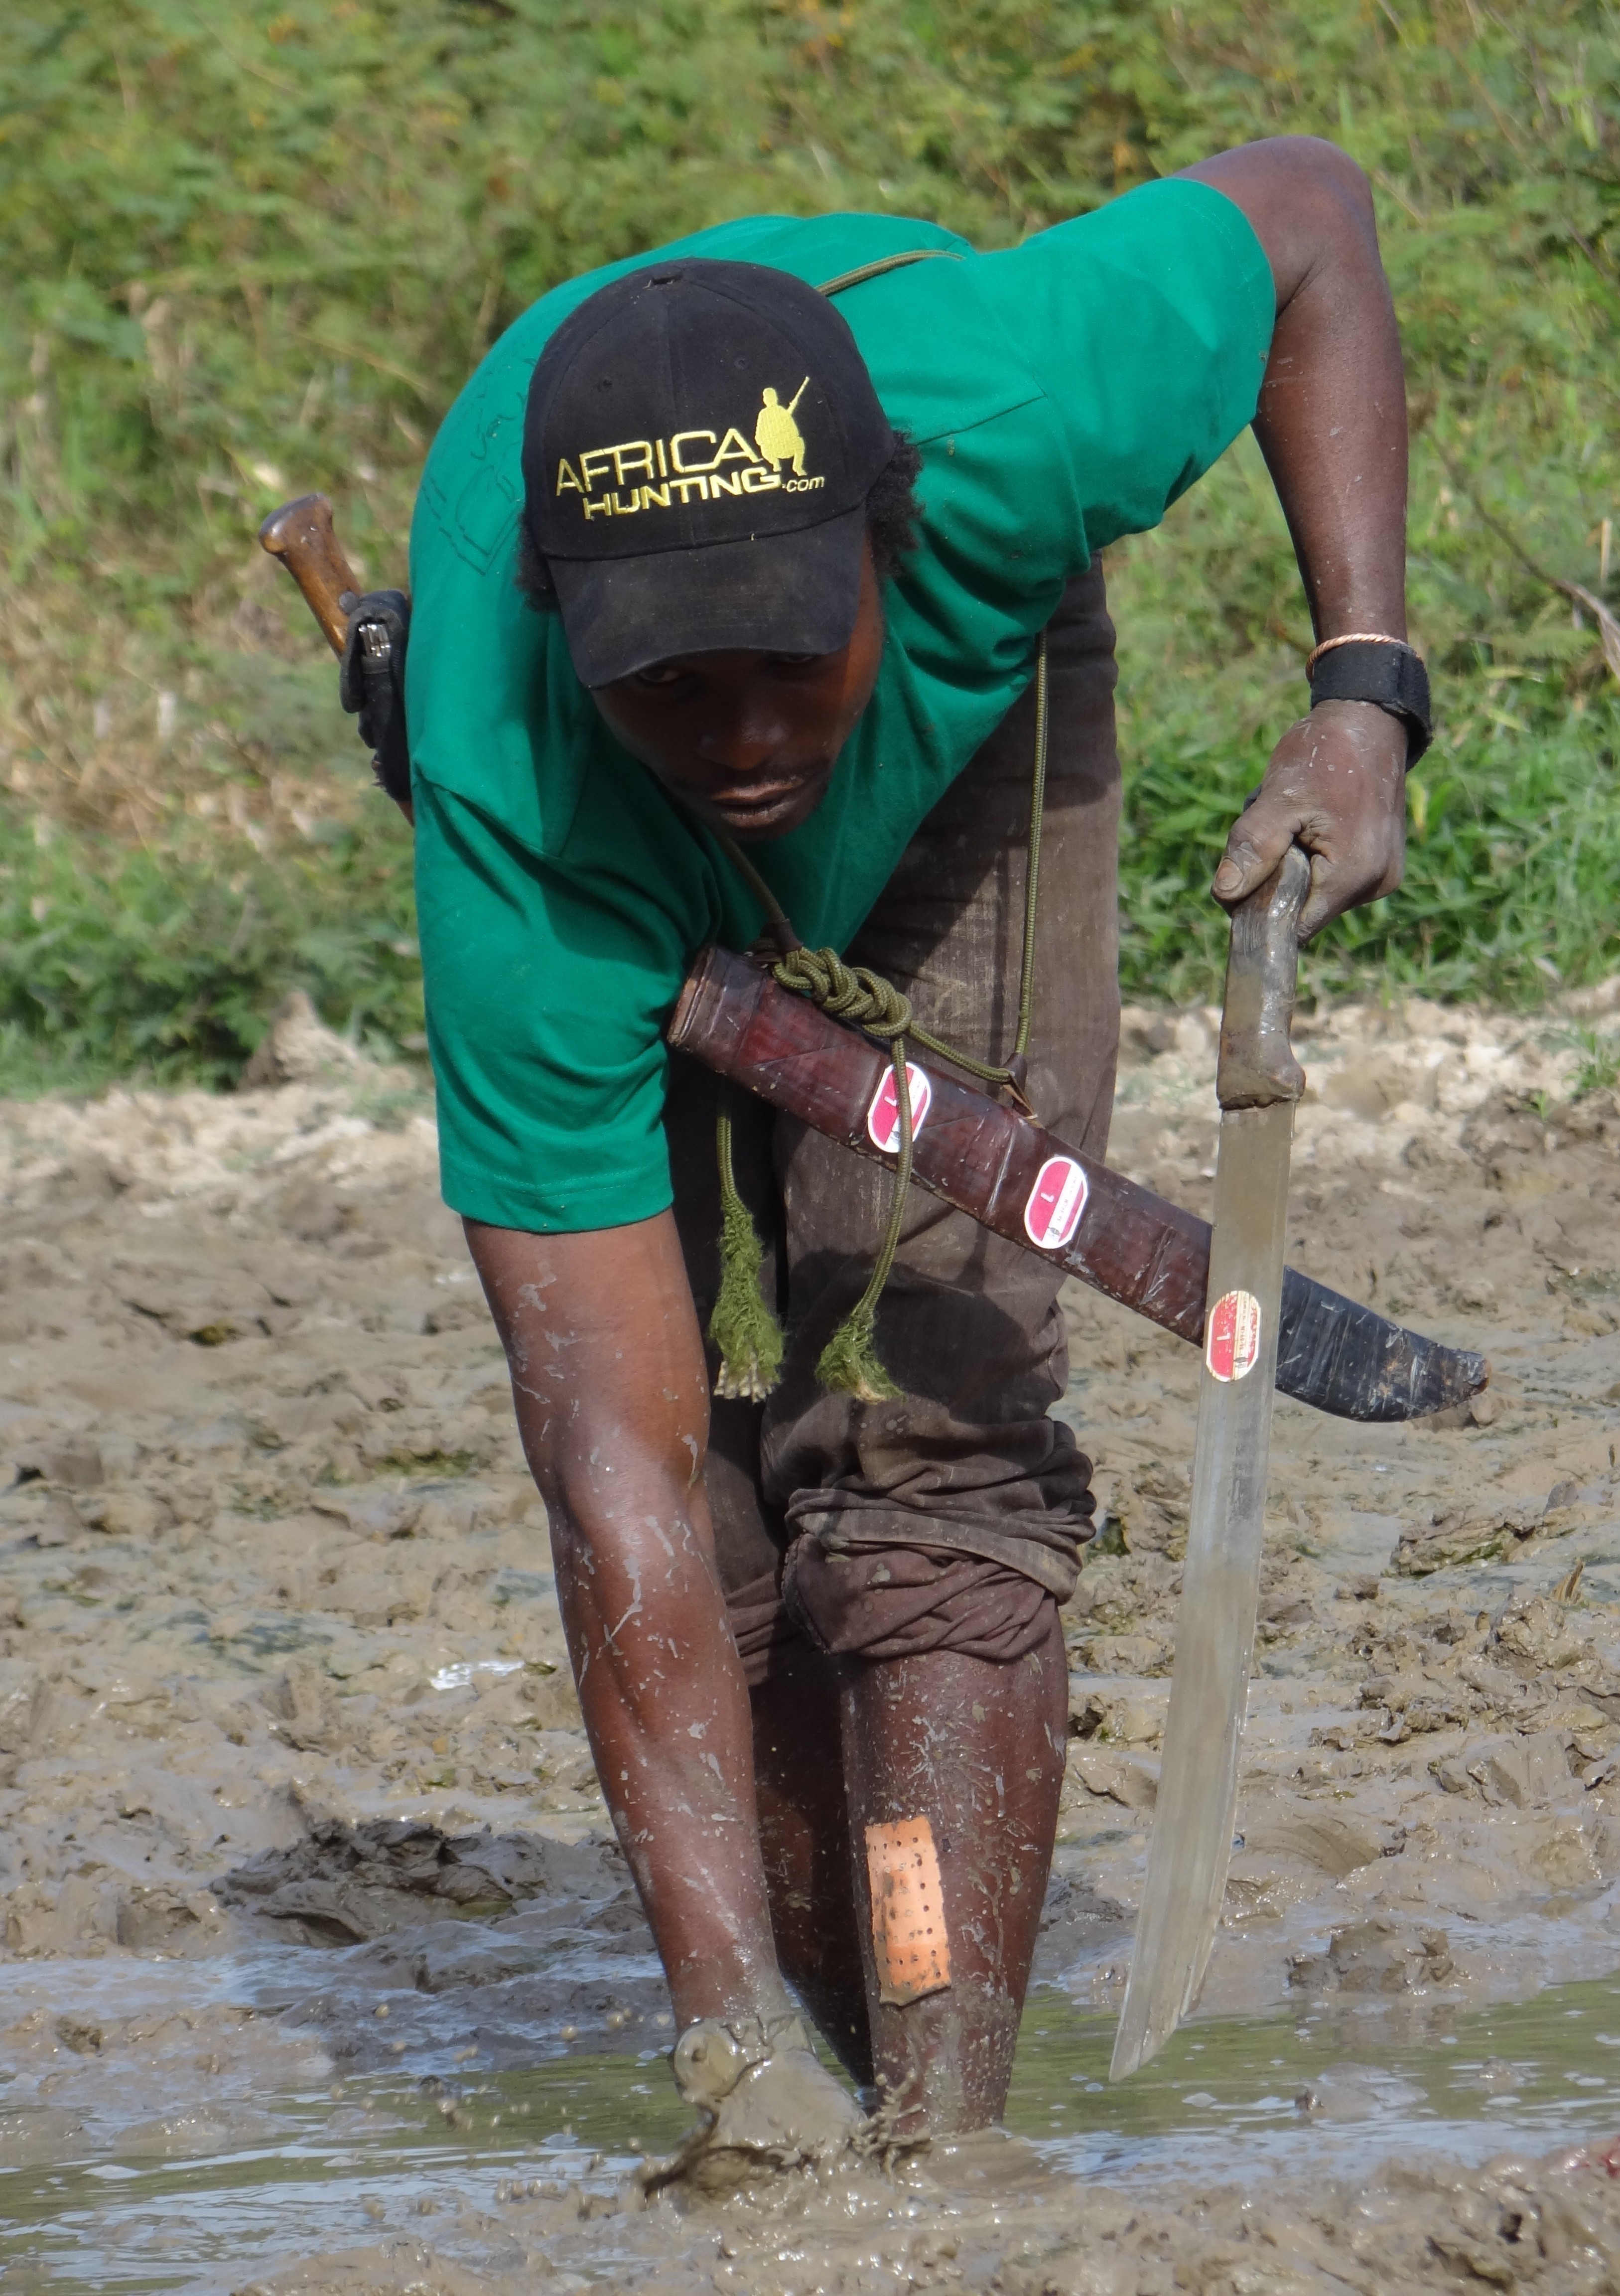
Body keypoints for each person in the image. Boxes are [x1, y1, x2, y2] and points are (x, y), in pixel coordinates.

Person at [402, 136, 1427, 2172]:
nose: (748, 732)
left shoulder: (1023, 413)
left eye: (790, 648)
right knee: (685, 1468)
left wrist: (1363, 693)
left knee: (928, 1414)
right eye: (673, 687)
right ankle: (795, 2058)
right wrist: (721, 2046)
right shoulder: (512, 783)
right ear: (564, 636)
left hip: (969, 735)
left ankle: (945, 2142)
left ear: (895, 537)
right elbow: (605, 1455)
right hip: (612, 882)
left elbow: (1308, 213)